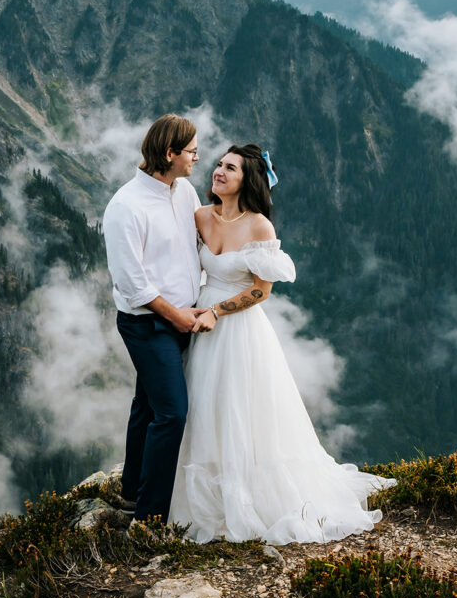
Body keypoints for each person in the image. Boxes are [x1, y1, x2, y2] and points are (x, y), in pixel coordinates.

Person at [169, 143, 395, 543]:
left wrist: (217, 312)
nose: (218, 171)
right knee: (206, 406)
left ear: (247, 180)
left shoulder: (259, 226)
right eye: (219, 165)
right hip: (200, 324)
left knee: (242, 409)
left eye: (230, 168)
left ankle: (250, 500)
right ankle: (203, 500)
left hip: (237, 329)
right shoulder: (200, 216)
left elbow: (261, 291)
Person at [103, 113, 204, 523]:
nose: (197, 157)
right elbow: (133, 285)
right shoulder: (126, 206)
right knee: (172, 413)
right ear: (170, 153)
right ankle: (149, 516)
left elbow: (201, 240)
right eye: (192, 151)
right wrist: (177, 317)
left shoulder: (184, 191)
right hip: (149, 324)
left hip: (182, 317)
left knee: (147, 404)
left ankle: (131, 491)